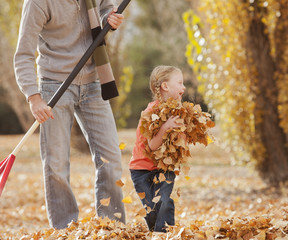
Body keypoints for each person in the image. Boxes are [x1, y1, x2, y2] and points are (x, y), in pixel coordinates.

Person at [13, 0, 126, 229]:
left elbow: (105, 9)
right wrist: (34, 97)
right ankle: (65, 229)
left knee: (111, 159)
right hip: (54, 85)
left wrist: (109, 20)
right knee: (56, 165)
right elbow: (23, 53)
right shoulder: (38, 2)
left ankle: (112, 227)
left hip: (94, 81)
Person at [129, 65, 186, 232]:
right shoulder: (150, 112)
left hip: (163, 168)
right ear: (165, 86)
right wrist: (165, 127)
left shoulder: (177, 111)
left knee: (165, 201)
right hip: (141, 170)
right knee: (151, 210)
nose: (184, 87)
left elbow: (179, 142)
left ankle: (164, 235)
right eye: (180, 82)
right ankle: (156, 231)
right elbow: (153, 146)